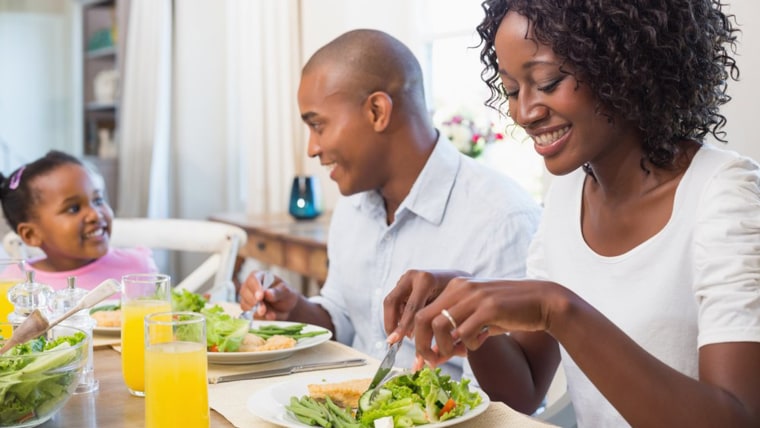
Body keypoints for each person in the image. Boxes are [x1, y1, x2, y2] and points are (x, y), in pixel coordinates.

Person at [384, 0, 760, 426]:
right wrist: (467, 311)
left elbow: (738, 418)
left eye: (547, 81)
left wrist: (557, 308)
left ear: (626, 63)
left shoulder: (723, 193)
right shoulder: (567, 196)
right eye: (510, 89)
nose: (524, 112)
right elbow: (521, 392)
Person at [239, 28, 542, 389]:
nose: (312, 148)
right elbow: (345, 316)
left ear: (377, 111)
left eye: (318, 125)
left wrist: (466, 312)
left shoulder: (501, 218)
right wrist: (294, 309)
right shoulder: (353, 207)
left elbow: (515, 400)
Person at [0, 150, 157, 290]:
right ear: (31, 235)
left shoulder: (138, 269)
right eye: (73, 208)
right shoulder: (15, 284)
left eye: (97, 200)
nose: (95, 215)